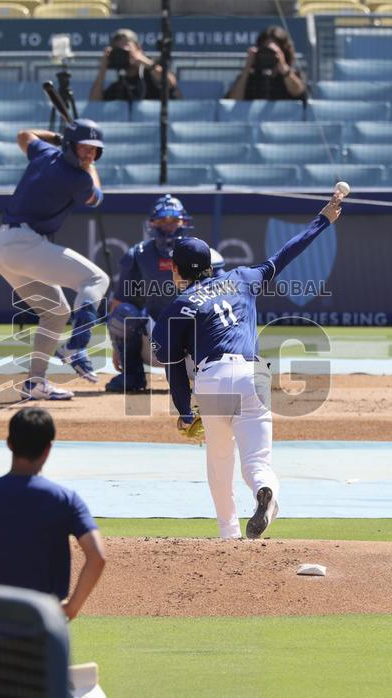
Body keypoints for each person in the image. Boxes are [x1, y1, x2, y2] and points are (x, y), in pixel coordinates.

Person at [151, 192, 344, 539]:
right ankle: (263, 493)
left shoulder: (178, 306)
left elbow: (174, 367)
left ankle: (229, 533)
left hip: (213, 378)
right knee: (257, 462)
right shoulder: (242, 278)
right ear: (210, 264)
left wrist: (183, 411)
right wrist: (323, 220)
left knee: (220, 460)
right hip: (253, 375)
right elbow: (285, 254)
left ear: (175, 269)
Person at [0, 407, 106, 695]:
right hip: (44, 631)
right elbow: (97, 557)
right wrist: (71, 607)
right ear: (49, 448)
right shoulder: (65, 500)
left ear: (9, 443)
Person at [0, 120, 109, 400]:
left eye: (94, 151)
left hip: (3, 247)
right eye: (85, 148)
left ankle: (35, 383)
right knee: (96, 279)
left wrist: (58, 138)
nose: (90, 155)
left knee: (55, 312)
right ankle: (76, 345)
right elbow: (96, 198)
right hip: (24, 244)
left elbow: (23, 135)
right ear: (71, 145)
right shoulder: (77, 177)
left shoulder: (45, 152)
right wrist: (88, 165)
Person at [106, 195, 225, 393]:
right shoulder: (139, 254)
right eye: (162, 221)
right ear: (152, 223)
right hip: (155, 341)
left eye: (173, 221)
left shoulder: (204, 253)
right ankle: (132, 375)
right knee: (124, 312)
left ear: (184, 222)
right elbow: (119, 301)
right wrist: (117, 348)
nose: (168, 227)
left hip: (195, 344)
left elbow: (226, 299)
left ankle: (212, 374)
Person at [89, 28, 180, 102]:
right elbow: (94, 103)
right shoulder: (120, 85)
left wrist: (145, 62)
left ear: (138, 48)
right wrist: (103, 69)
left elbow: (171, 83)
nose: (123, 54)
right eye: (118, 50)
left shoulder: (153, 70)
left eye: (126, 48)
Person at [226, 25, 307, 101]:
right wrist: (247, 69)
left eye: (272, 53)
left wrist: (284, 70)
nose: (268, 56)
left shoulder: (293, 76)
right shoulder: (250, 79)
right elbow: (232, 102)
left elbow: (299, 93)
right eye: (265, 51)